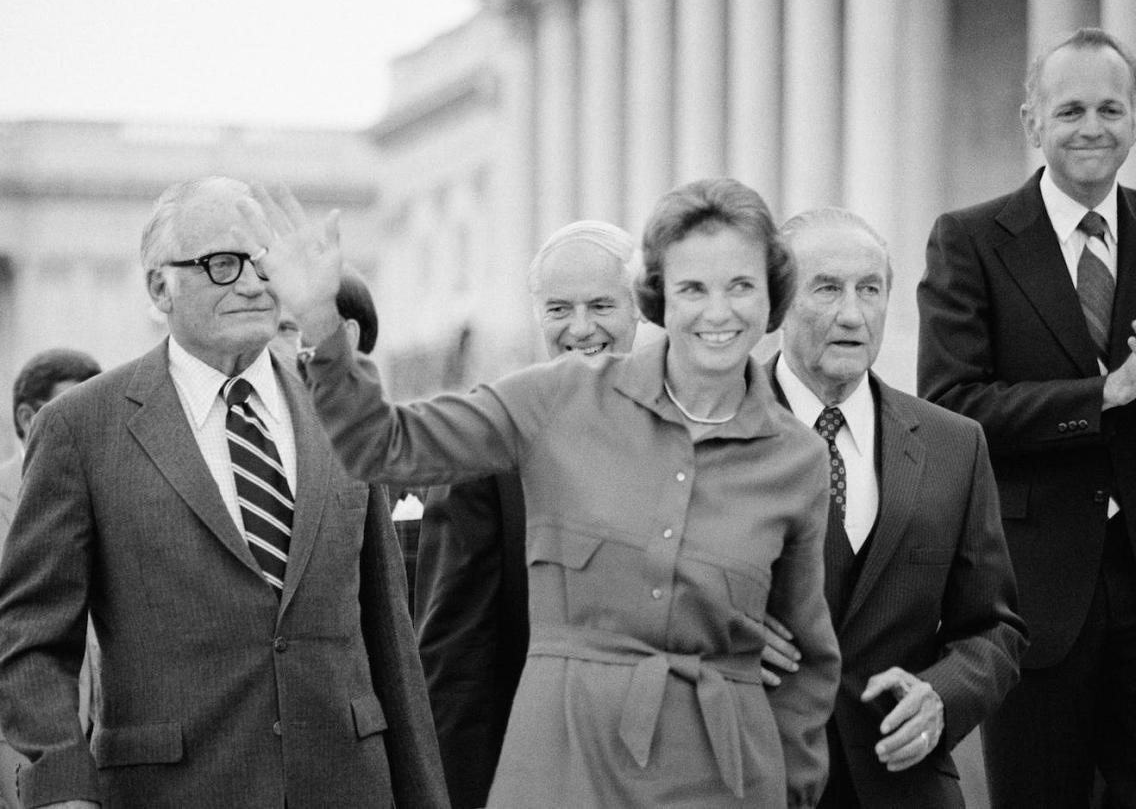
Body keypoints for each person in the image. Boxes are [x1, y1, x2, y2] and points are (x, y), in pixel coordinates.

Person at [251, 177, 841, 807]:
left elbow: (808, 661)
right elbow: (384, 445)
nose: (718, 312)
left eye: (741, 286)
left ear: (772, 298)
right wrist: (320, 321)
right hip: (564, 769)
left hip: (727, 779)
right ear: (659, 300)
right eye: (693, 288)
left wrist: (793, 791)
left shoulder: (797, 458)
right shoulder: (558, 396)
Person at [0, 177, 449, 809]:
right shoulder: (81, 428)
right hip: (171, 789)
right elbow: (31, 636)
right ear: (161, 286)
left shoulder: (339, 409)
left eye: (266, 263)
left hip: (348, 785)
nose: (251, 283)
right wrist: (60, 788)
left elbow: (387, 632)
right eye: (221, 264)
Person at [917, 27, 1136, 807]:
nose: (1091, 127)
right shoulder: (971, 240)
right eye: (1069, 111)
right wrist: (1100, 395)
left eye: (1108, 108)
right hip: (1032, 590)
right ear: (1032, 122)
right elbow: (951, 408)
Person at [763, 208, 1026, 807]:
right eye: (827, 288)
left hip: (905, 784)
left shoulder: (954, 444)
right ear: (777, 304)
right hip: (755, 775)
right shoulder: (718, 433)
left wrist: (942, 695)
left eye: (870, 290)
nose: (852, 314)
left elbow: (995, 627)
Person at [414, 220, 642, 808]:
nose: (581, 328)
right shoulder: (486, 446)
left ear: (639, 309)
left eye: (601, 305)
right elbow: (455, 665)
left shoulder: (696, 435)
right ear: (537, 315)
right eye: (559, 308)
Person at [0, 349, 102, 809]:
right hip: (20, 748)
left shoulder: (106, 489)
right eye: (72, 405)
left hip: (107, 743)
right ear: (27, 416)